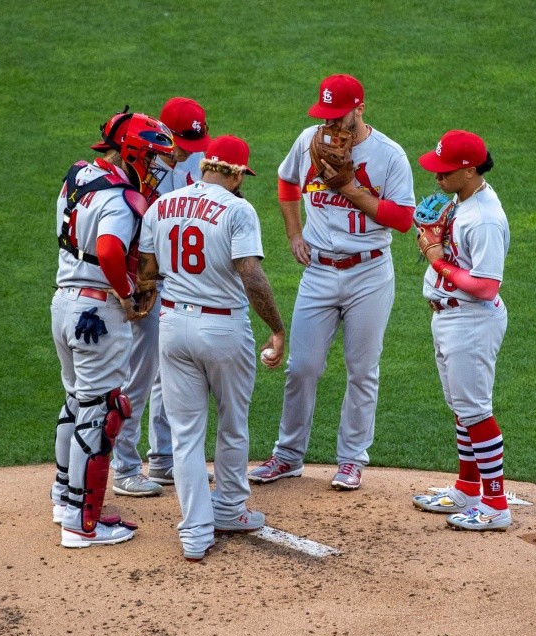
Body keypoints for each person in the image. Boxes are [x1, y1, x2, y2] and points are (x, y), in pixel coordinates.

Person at [249, 74, 415, 490]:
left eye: (338, 115)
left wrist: (351, 189)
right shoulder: (309, 140)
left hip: (369, 272)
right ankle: (287, 456)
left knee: (362, 370)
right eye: (325, 115)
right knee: (302, 367)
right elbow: (286, 183)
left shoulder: (389, 155)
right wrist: (293, 232)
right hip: (319, 271)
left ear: (361, 107)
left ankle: (352, 459)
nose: (331, 125)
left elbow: (403, 220)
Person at [138, 135, 287, 561]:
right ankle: (228, 509)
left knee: (185, 435)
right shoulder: (238, 209)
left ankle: (194, 533)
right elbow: (251, 277)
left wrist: (156, 292)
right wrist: (277, 329)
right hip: (222, 327)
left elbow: (147, 270)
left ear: (206, 166)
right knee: (233, 421)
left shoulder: (162, 205)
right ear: (237, 172)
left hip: (171, 325)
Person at [49, 112, 175, 547]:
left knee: (77, 402)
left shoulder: (79, 176)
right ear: (133, 153)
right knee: (103, 413)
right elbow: (108, 249)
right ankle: (83, 523)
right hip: (98, 314)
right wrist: (125, 292)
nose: (158, 167)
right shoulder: (123, 200)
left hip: (63, 303)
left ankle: (65, 497)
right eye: (154, 157)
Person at [108, 97, 214, 496]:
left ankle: (165, 460)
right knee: (140, 374)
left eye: (196, 141)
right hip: (150, 280)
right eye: (184, 142)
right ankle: (124, 467)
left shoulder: (198, 161)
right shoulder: (146, 167)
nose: (190, 150)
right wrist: (143, 282)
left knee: (172, 373)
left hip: (184, 282)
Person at [409, 130, 513, 531]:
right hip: (450, 316)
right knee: (461, 409)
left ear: (469, 170)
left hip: (471, 319)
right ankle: (468, 488)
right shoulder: (462, 199)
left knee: (476, 410)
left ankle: (495, 504)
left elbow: (487, 287)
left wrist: (437, 260)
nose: (436, 177)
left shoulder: (485, 218)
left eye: (444, 171)